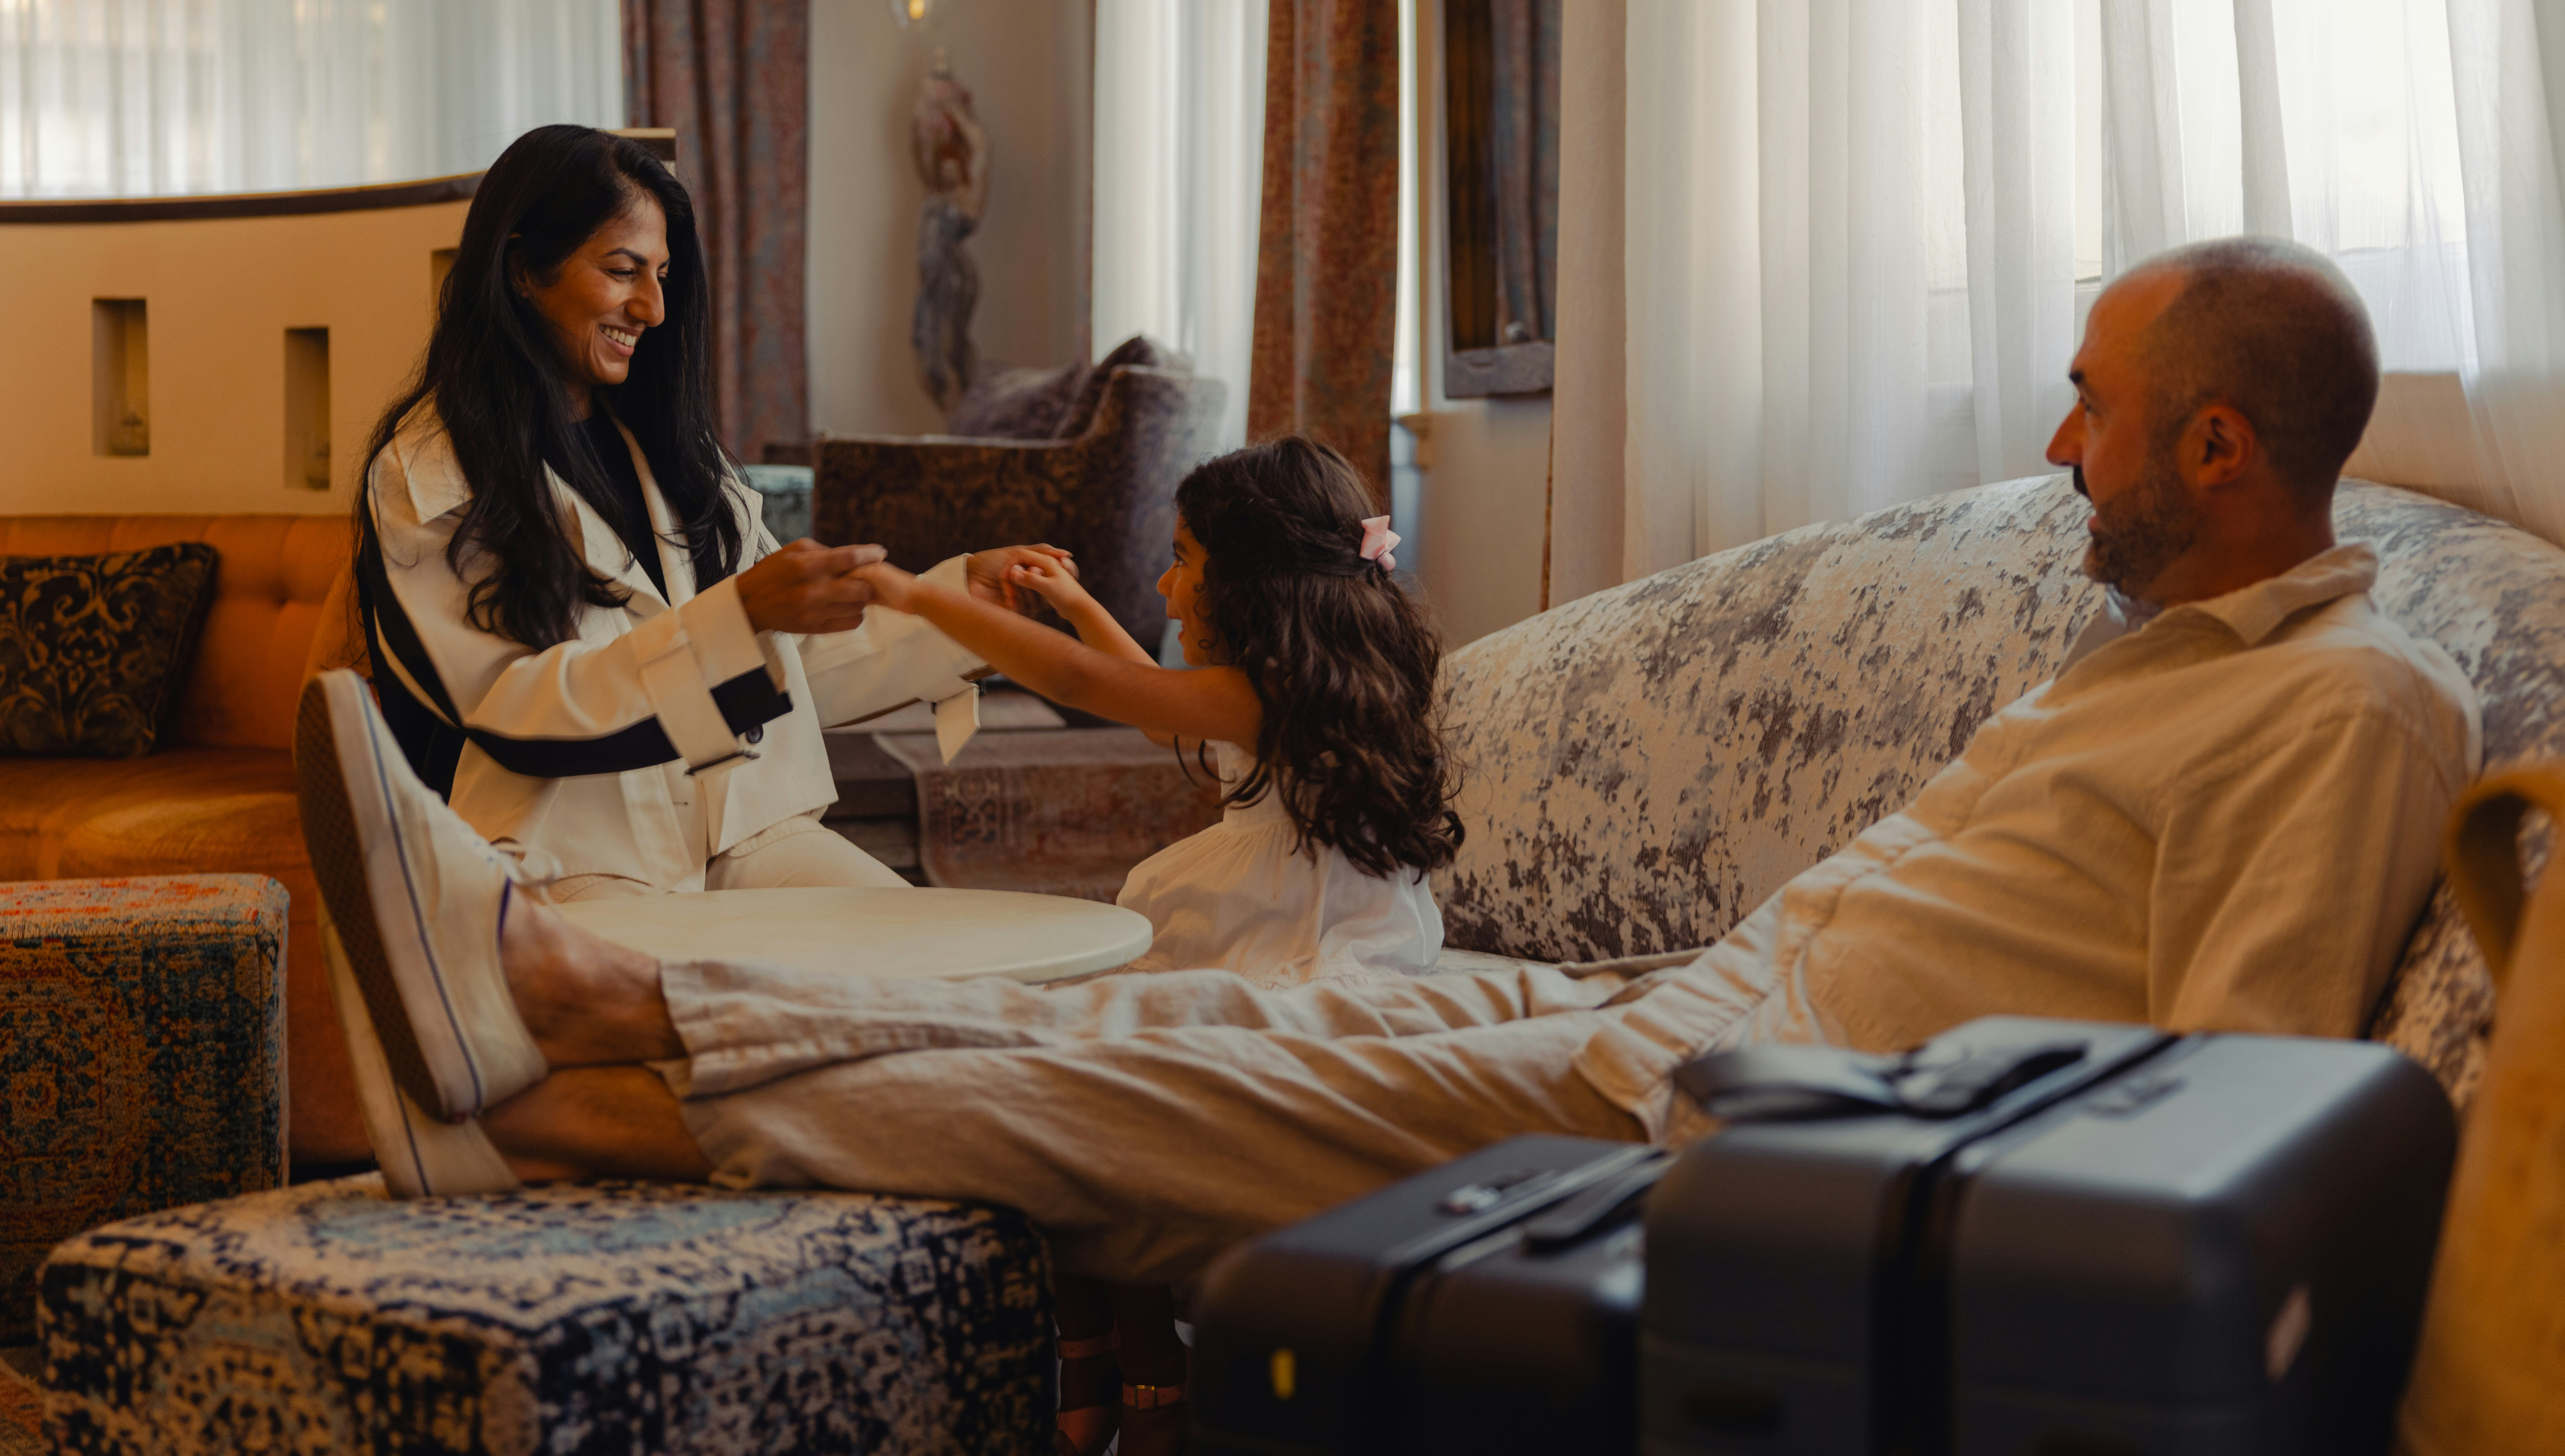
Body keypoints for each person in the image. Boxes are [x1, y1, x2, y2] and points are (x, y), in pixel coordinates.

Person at [296, 236, 2482, 1453]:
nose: (2050, 441)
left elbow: (2233, 1099)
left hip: (1723, 1115)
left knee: (1146, 1077)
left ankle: (589, 999)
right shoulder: (2159, 658)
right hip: (1663, 1017)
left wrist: (1828, 1141)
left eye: (2089, 402)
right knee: (1157, 1033)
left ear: (2210, 437)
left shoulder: (2346, 701)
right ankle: (555, 1083)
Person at [856, 434, 1462, 1450]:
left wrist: (915, 597)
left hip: (1293, 947)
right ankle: (1092, 1349)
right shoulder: (1305, 682)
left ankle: (1141, 1374)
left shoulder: (1270, 697)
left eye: (1182, 559)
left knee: (1104, 1094)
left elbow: (1100, 691)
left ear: (1254, 579)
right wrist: (1079, 602)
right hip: (1261, 917)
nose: (1165, 586)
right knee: (1068, 1061)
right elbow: (1148, 708)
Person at [351, 123, 1058, 902]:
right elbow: (511, 710)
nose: (652, 307)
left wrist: (964, 608)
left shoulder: (681, 459)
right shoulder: (426, 476)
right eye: (622, 271)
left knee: (941, 963)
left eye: (661, 274)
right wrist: (740, 612)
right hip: (561, 860)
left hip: (746, 833)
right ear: (523, 269)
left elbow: (787, 664)